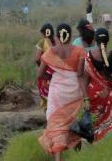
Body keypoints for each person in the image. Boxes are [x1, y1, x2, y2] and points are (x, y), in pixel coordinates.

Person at [37, 23, 86, 160]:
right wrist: (86, 97)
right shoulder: (79, 50)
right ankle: (79, 155)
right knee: (71, 120)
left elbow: (40, 74)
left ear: (57, 37)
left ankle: (58, 158)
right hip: (74, 91)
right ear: (70, 36)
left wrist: (52, 77)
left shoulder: (51, 52)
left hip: (57, 92)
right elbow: (80, 74)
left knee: (56, 124)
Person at [83, 28, 112, 143]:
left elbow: (85, 80)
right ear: (108, 39)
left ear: (95, 39)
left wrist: (85, 99)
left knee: (95, 120)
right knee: (110, 121)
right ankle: (109, 140)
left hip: (93, 93)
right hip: (108, 93)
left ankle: (93, 140)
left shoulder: (88, 56)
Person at [35, 24, 56, 109]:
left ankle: (47, 108)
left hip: (45, 71)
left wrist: (41, 67)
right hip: (56, 71)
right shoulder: (57, 41)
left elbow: (37, 58)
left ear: (44, 33)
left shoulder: (42, 42)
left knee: (46, 91)